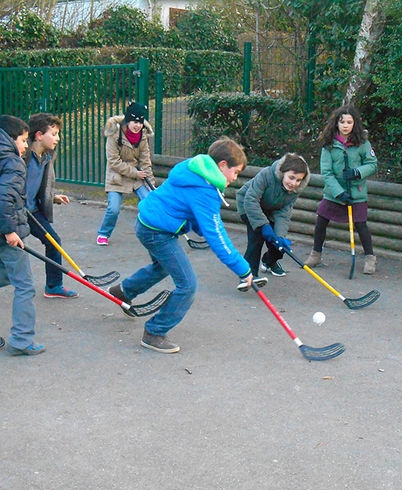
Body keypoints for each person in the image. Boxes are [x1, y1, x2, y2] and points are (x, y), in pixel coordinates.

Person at [109, 136, 255, 354]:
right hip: (157, 232)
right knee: (188, 285)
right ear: (222, 166)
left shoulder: (194, 170)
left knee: (162, 267)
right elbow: (218, 236)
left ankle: (123, 291)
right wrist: (242, 268)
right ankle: (154, 332)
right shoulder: (205, 189)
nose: (235, 178)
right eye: (235, 172)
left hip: (148, 223)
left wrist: (197, 227)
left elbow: (188, 206)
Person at [305, 104, 378, 274]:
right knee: (321, 220)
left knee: (361, 225)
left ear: (355, 124)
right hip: (334, 193)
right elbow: (327, 172)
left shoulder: (362, 143)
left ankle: (370, 258)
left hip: (356, 192)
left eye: (349, 122)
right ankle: (316, 254)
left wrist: (356, 172)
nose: (345, 125)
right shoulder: (329, 145)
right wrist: (339, 192)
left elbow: (372, 164)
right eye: (342, 121)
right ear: (336, 123)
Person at [0, 114, 45, 356]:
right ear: (11, 138)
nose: (26, 146)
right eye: (24, 140)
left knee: (4, 276)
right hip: (6, 232)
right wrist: (9, 231)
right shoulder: (12, 162)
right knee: (25, 286)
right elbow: (4, 198)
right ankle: (21, 340)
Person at [236, 153, 310, 289]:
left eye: (298, 180)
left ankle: (269, 261)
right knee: (256, 238)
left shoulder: (295, 189)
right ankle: (247, 276)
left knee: (279, 245)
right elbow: (250, 200)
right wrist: (263, 225)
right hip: (248, 207)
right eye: (291, 178)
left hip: (270, 210)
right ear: (283, 173)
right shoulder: (266, 175)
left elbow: (284, 212)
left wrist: (280, 236)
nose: (294, 183)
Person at [25, 113, 78, 299]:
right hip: (15, 211)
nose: (58, 138)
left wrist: (53, 197)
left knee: (54, 242)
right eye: (54, 133)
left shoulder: (46, 156)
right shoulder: (23, 157)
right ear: (39, 135)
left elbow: (37, 187)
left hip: (32, 211)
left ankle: (54, 286)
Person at [96, 102, 155, 246]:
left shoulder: (142, 136)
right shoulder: (114, 134)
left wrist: (151, 185)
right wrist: (135, 173)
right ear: (127, 121)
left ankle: (152, 232)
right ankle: (103, 233)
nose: (138, 126)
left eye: (140, 122)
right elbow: (113, 161)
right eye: (135, 122)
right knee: (113, 209)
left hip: (137, 177)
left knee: (149, 202)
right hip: (117, 175)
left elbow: (145, 160)